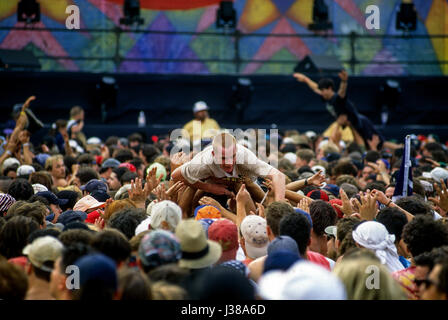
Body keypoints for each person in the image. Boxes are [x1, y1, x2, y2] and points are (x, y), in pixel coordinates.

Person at [172, 133, 285, 201]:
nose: (229, 163)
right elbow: (175, 175)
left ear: (237, 151)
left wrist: (280, 207)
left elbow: (279, 176)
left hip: (246, 183)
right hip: (211, 184)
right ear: (213, 155)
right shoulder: (203, 162)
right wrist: (208, 187)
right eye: (224, 158)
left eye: (233, 156)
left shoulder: (245, 157)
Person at [294, 71, 384, 150]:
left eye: (323, 90)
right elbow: (316, 88)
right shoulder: (327, 97)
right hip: (350, 125)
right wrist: (305, 79)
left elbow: (342, 93)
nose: (321, 93)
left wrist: (344, 82)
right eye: (321, 90)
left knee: (378, 144)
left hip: (360, 123)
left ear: (330, 88)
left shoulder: (336, 99)